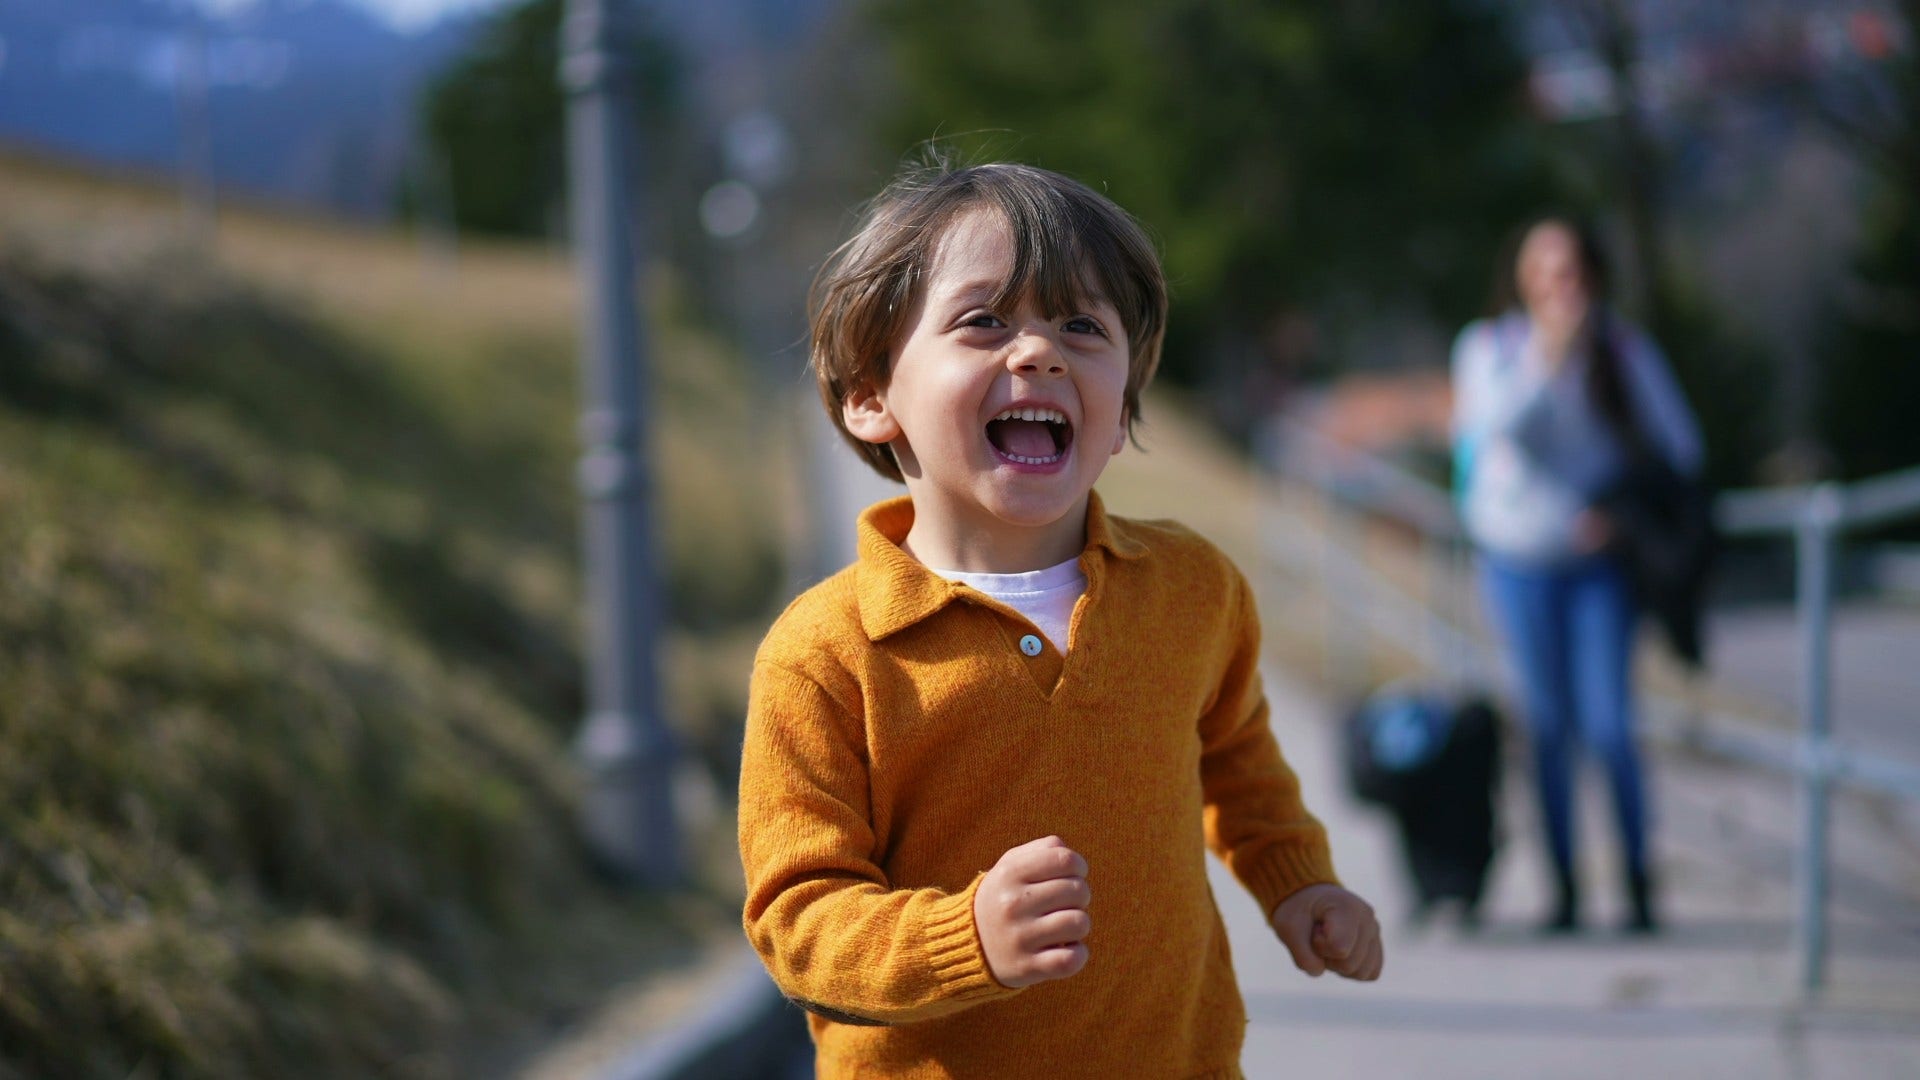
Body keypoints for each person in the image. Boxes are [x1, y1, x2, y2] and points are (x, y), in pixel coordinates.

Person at [739, 159, 1382, 1078]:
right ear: (872, 396)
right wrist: (965, 938)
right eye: (984, 321)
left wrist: (1299, 880)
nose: (1038, 351)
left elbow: (1236, 758)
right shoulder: (824, 654)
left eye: (1082, 325)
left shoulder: (1192, 588)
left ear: (1120, 412)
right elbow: (797, 921)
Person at [1450, 217, 1705, 934]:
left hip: (1599, 571)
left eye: (1572, 271)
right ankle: (1564, 892)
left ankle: (1639, 887)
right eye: (1545, 270)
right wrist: (1549, 357)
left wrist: (1621, 514)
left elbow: (1681, 446)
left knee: (1610, 726)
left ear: (1592, 277)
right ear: (1523, 278)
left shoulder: (1623, 351)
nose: (1560, 286)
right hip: (1518, 566)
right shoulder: (1490, 349)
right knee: (1547, 727)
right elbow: (1499, 431)